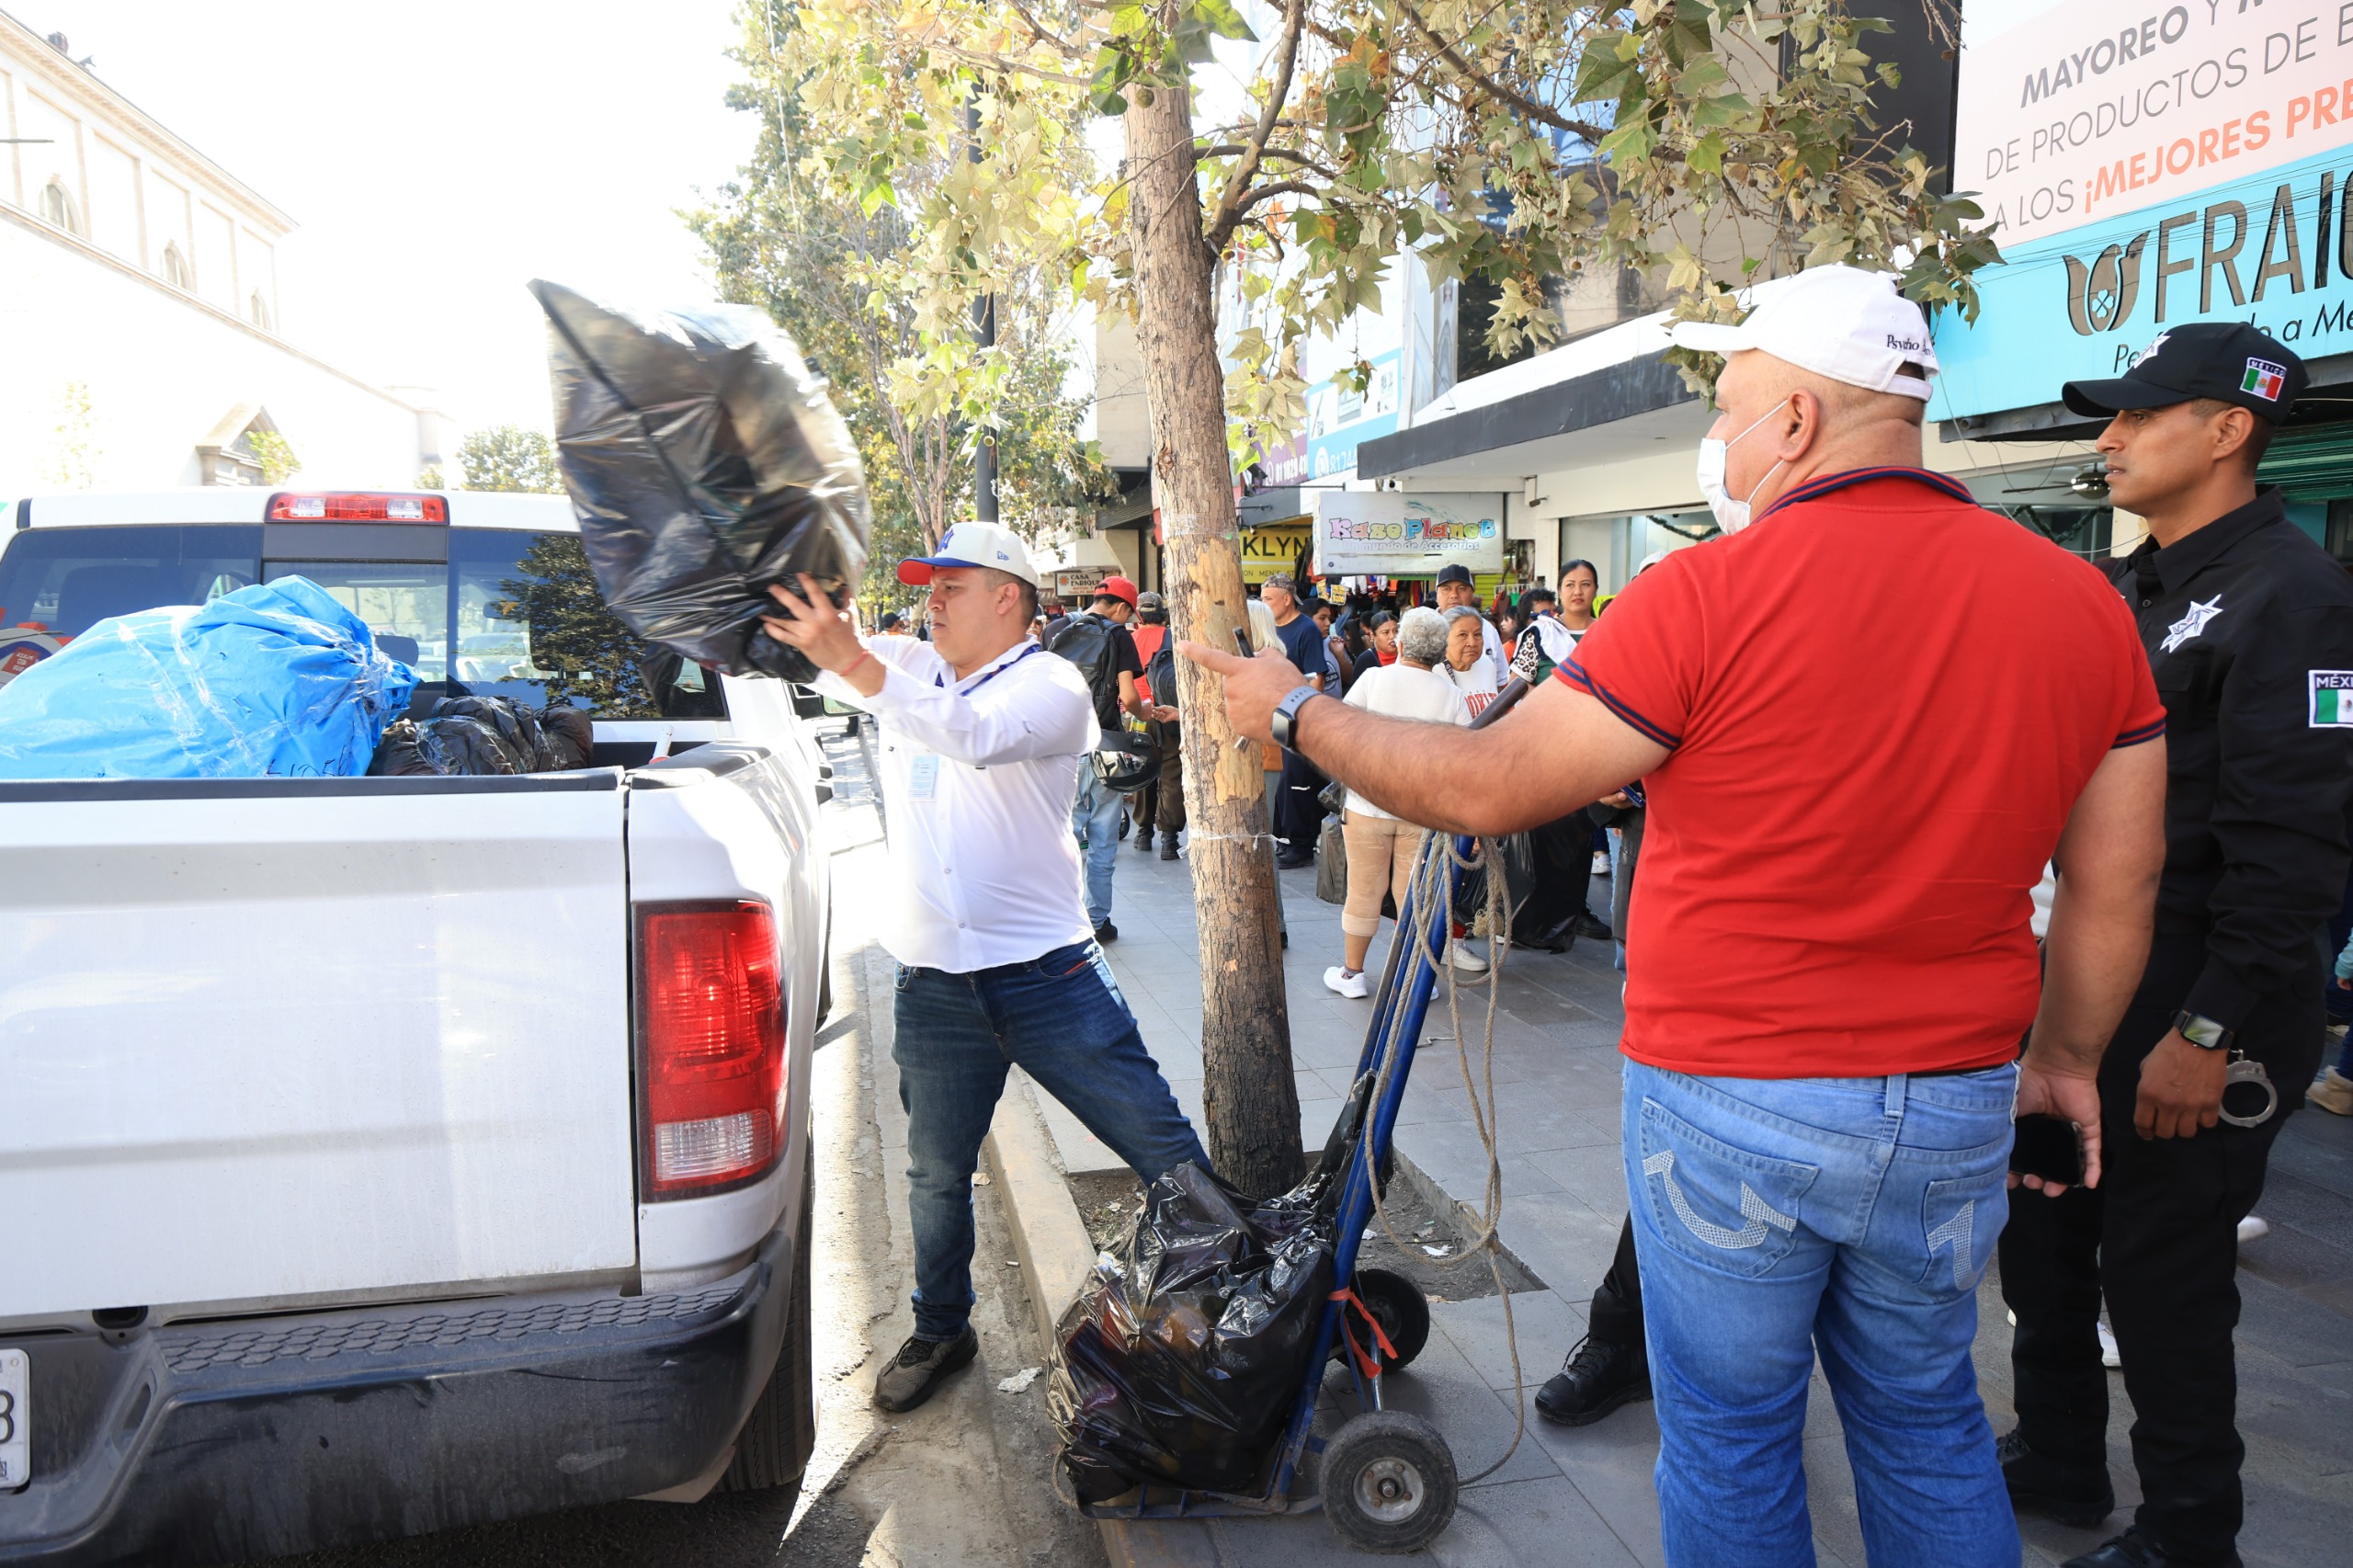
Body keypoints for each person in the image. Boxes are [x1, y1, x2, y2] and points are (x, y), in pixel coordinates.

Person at [1183, 263, 2169, 1568]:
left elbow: (1483, 787)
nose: (1721, 434)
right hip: (1948, 1096)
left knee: (1734, 1437)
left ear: (1801, 421)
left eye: (1734, 401)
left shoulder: (1706, 595)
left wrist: (1294, 710)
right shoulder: (2082, 603)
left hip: (1737, 1092)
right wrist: (2066, 1058)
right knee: (1927, 1423)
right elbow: (2118, 883)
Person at [1999, 323, 2353, 1568]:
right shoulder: (2134, 583)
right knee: (2044, 1224)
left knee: (2162, 1271)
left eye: (2139, 414)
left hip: (2202, 999)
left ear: (2228, 427)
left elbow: (2299, 853)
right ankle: (2055, 1454)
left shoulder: (2297, 598)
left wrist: (2206, 1033)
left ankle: (2192, 1529)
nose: (2109, 436)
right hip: (2089, 985)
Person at [761, 524, 1209, 1414]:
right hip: (934, 986)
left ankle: (1236, 1294)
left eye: (950, 584)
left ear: (1009, 595)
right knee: (934, 1175)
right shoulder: (906, 663)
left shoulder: (1052, 684)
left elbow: (969, 735)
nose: (931, 599)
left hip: (1050, 980)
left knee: (1163, 1148)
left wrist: (857, 664)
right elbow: (808, 661)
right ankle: (942, 1326)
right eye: (927, 584)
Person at [1325, 608, 1471, 998]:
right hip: (1421, 810)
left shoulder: (1374, 679)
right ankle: (1412, 978)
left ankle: (1352, 974)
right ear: (1440, 651)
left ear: (1401, 642)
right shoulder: (1452, 695)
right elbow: (1460, 760)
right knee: (1415, 893)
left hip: (1367, 803)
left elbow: (1342, 731)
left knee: (1364, 888)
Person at [1046, 575, 1149, 941]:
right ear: (1121, 607)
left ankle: (1060, 918)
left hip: (1061, 749)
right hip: (1104, 747)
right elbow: (1129, 696)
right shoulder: (1119, 635)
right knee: (1104, 838)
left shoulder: (1055, 628)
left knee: (1064, 836)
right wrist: (1146, 715)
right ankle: (1098, 922)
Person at [1261, 574, 1327, 870]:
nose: (1265, 605)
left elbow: (1317, 679)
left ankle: (1300, 845)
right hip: (1274, 716)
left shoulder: (1306, 630)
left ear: (1287, 599)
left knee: (1297, 781)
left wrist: (1306, 717)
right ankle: (1284, 838)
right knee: (1281, 780)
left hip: (1297, 715)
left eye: (1268, 599)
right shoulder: (1270, 627)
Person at [1126, 590, 1184, 860]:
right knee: (1171, 771)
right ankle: (1170, 839)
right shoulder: (1173, 637)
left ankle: (1143, 832)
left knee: (1142, 771)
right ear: (1163, 613)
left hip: (1137, 714)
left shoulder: (1129, 639)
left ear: (1138, 615)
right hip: (1169, 710)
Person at [1434, 562, 1508, 685]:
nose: (1454, 595)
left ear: (1472, 594)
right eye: (1446, 589)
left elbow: (1501, 681)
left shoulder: (1487, 629)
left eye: (1462, 588)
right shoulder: (1424, 629)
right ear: (1437, 595)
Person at [1440, 605, 1499, 718]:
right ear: (1444, 638)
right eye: (1462, 635)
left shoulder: (1486, 665)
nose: (1472, 643)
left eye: (1477, 634)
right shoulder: (1434, 671)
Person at [1348, 610, 1399, 685]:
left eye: (1396, 631)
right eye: (1386, 632)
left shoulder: (1408, 656)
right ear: (1372, 635)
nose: (1393, 636)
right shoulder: (1364, 660)